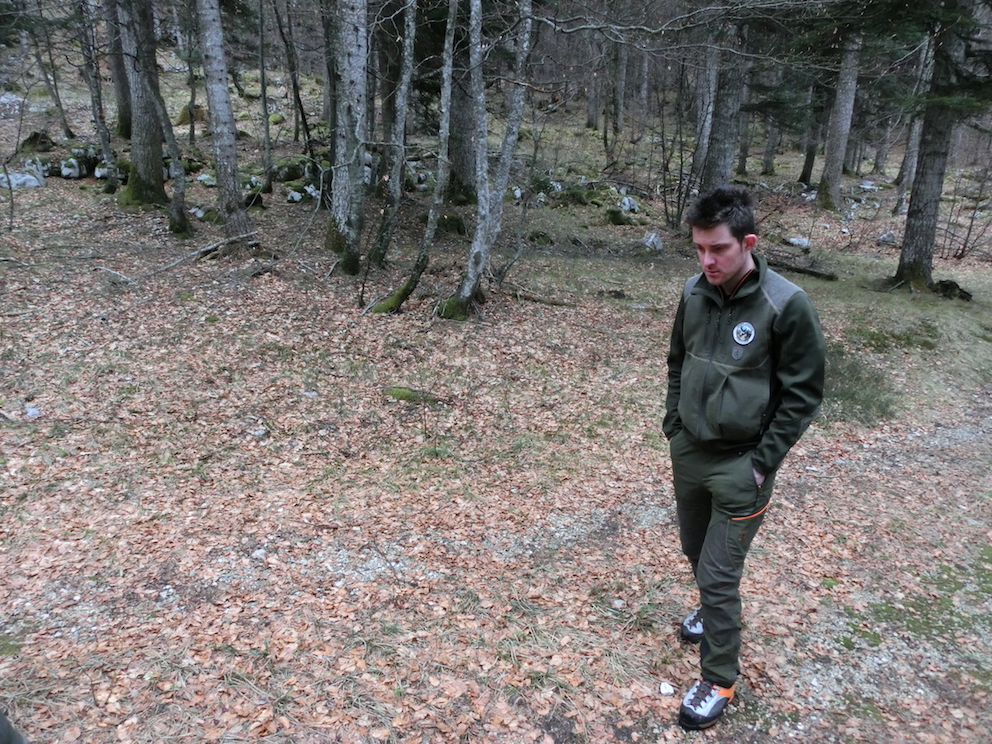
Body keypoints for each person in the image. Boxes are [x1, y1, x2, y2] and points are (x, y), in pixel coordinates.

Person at [663, 186, 825, 730]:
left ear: (748, 243)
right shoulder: (693, 291)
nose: (707, 260)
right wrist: (674, 426)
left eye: (719, 249)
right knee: (694, 550)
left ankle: (718, 679)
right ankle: (711, 612)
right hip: (690, 452)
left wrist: (762, 462)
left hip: (742, 465)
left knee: (717, 575)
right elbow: (678, 361)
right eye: (699, 248)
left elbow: (803, 394)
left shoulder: (786, 304)